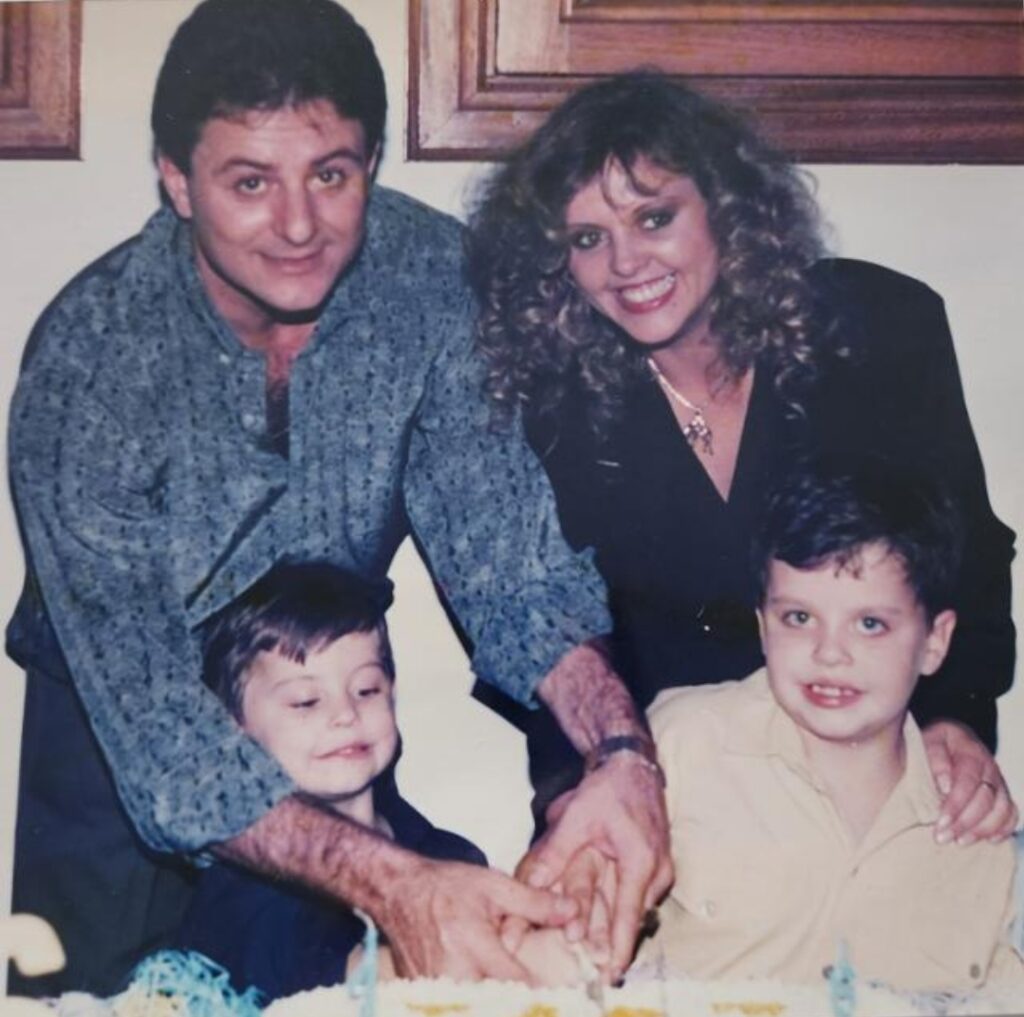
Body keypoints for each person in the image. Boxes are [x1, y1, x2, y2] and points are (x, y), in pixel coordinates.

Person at [6, 3, 670, 997]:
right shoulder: (91, 358)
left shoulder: (432, 283)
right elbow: (159, 745)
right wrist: (392, 882)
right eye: (249, 181)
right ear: (176, 178)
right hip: (119, 746)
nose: (298, 227)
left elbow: (515, 572)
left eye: (330, 174)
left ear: (372, 162)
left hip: (323, 722)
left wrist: (622, 757)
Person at [467, 71, 1016, 843]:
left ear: (726, 206)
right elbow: (553, 633)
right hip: (673, 795)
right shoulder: (551, 405)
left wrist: (956, 718)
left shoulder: (881, 328)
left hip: (874, 773)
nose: (625, 263)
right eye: (587, 239)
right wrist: (576, 794)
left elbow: (966, 554)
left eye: (654, 217)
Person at [638, 457, 1024, 995]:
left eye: (870, 624)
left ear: (934, 642)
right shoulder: (678, 747)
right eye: (799, 617)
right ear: (763, 625)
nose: (829, 652)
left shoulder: (976, 831)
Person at [174, 562, 486, 1000]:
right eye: (306, 701)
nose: (345, 714)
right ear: (234, 730)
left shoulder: (447, 855)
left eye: (366, 690)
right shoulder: (240, 896)